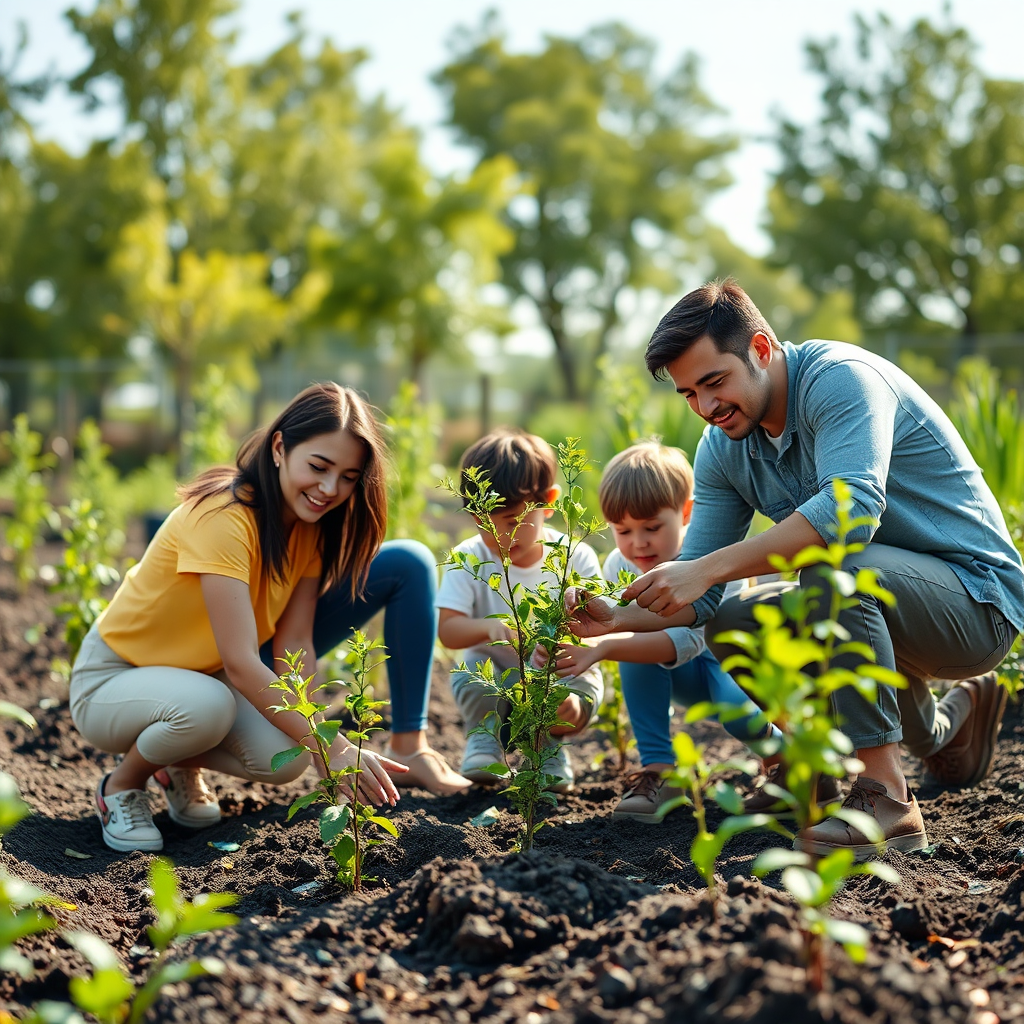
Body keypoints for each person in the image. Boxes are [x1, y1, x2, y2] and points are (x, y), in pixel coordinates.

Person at [571, 279, 1024, 859]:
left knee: (835, 569)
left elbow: (850, 513)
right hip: (886, 608)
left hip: (975, 602)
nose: (706, 408)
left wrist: (705, 569)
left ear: (761, 349)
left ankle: (887, 798)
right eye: (689, 394)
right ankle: (842, 763)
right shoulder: (724, 446)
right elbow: (701, 597)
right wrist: (613, 618)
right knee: (735, 618)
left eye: (715, 382)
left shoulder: (840, 380)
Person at [71, 382, 468, 854]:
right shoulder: (224, 516)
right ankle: (121, 784)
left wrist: (316, 734)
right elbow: (241, 663)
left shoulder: (309, 528)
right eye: (318, 467)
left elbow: (294, 641)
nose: (329, 489)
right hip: (116, 679)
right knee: (208, 707)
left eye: (347, 477)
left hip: (200, 680)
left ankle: (175, 759)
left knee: (284, 758)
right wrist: (334, 746)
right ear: (280, 447)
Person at [550, 440, 780, 822]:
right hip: (678, 670)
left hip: (730, 664)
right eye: (623, 530)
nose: (638, 543)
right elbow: (612, 620)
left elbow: (690, 641)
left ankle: (783, 764)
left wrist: (604, 646)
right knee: (631, 650)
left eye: (652, 527)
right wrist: (579, 609)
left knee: (738, 711)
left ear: (686, 512)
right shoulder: (618, 564)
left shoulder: (712, 558)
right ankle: (660, 770)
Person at [436, 428, 603, 792]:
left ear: (549, 503)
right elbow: (448, 631)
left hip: (562, 673)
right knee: (469, 669)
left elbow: (599, 628)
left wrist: (578, 606)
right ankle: (485, 739)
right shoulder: (468, 558)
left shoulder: (574, 556)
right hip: (498, 674)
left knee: (562, 700)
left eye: (512, 520)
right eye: (482, 521)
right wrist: (487, 628)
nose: (497, 535)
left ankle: (547, 751)